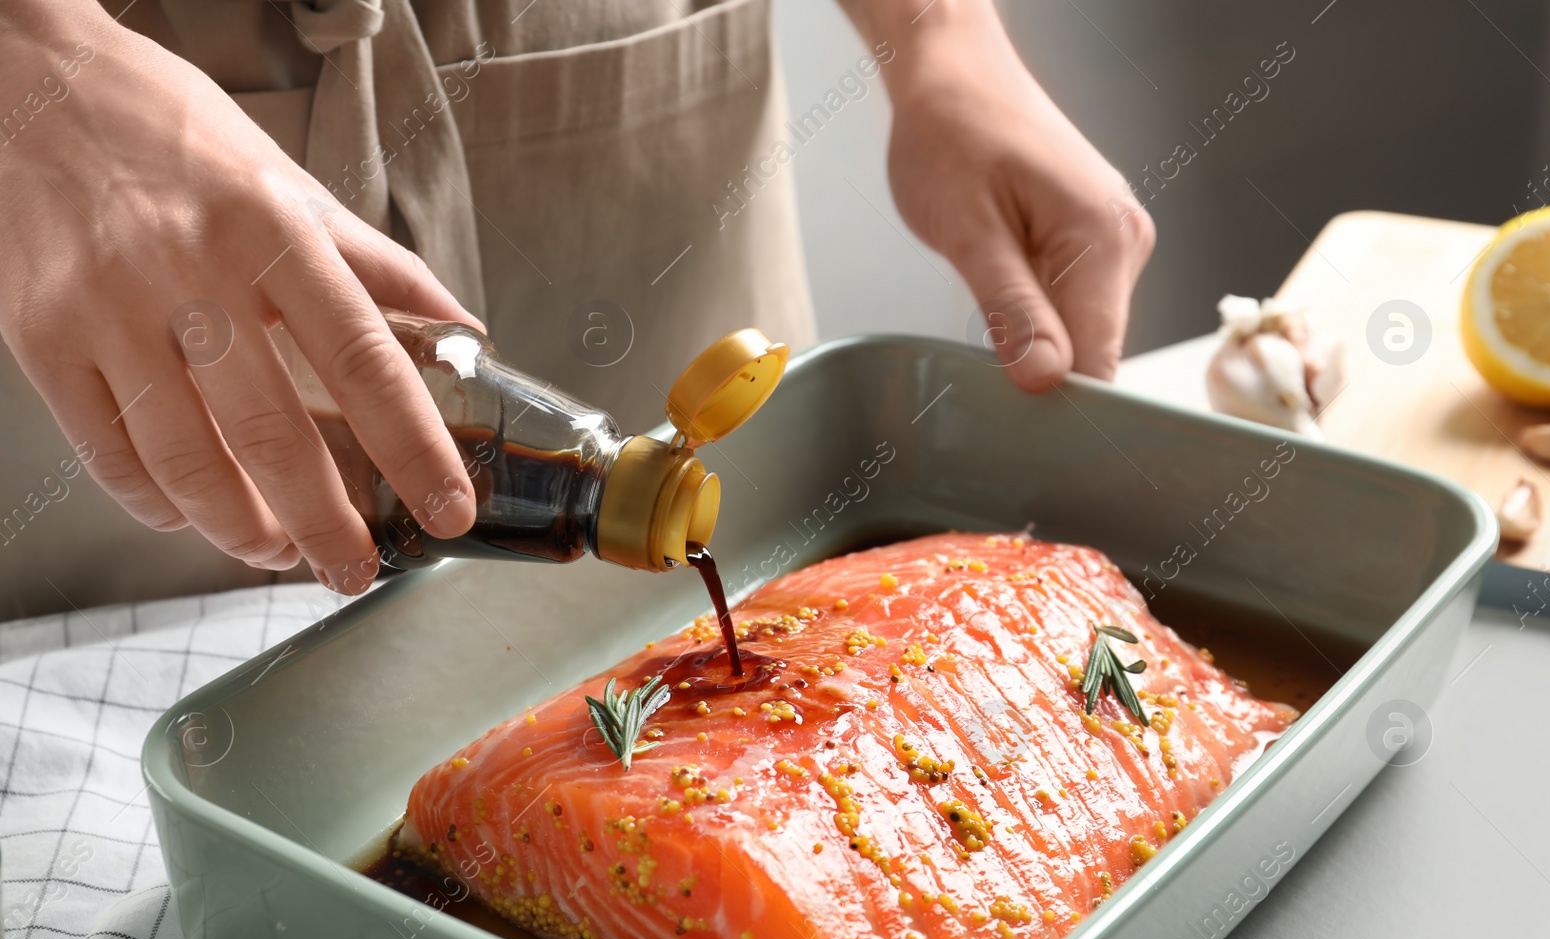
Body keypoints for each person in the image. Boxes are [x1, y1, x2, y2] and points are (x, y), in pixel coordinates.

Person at [0, 0, 1153, 617]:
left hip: (617, 79)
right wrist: (33, 66)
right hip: (92, 172)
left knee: (743, 577)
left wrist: (941, 29)